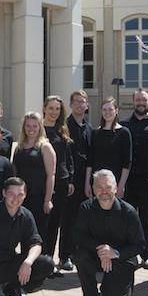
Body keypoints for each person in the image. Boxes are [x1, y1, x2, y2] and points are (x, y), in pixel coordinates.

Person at [72, 170, 144, 296]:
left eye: (108, 187)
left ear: (116, 188)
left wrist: (115, 253)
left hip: (121, 258)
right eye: (99, 187)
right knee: (80, 255)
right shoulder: (85, 208)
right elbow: (78, 237)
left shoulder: (128, 212)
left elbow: (139, 245)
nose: (104, 191)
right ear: (93, 189)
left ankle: (118, 284)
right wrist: (102, 249)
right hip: (96, 255)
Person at [119, 88, 148, 270]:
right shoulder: (123, 124)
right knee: (128, 218)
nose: (141, 103)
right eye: (138, 100)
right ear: (133, 102)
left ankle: (146, 254)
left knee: (146, 219)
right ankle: (130, 254)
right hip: (128, 179)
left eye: (144, 100)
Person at [59, 90, 93, 271]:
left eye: (83, 102)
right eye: (77, 102)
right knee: (68, 218)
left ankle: (78, 253)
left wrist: (88, 182)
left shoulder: (89, 128)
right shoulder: (64, 126)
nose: (80, 105)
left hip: (84, 179)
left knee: (82, 219)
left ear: (87, 106)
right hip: (69, 179)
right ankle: (64, 256)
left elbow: (90, 158)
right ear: (70, 105)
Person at [12, 112, 56, 246]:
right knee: (22, 231)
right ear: (24, 127)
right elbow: (15, 171)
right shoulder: (18, 147)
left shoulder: (45, 147)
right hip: (21, 196)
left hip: (39, 196)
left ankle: (38, 263)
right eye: (28, 126)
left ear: (40, 127)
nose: (31, 129)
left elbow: (51, 174)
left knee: (38, 232)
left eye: (35, 126)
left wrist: (47, 200)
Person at [42, 95, 74, 273]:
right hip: (44, 182)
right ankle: (41, 260)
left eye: (57, 109)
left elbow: (69, 158)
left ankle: (50, 261)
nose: (54, 112)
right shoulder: (37, 129)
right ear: (44, 108)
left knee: (55, 222)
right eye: (51, 108)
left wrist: (69, 179)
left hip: (61, 181)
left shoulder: (62, 130)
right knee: (43, 221)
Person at [85, 97, 131, 201]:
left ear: (116, 111)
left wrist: (121, 185)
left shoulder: (124, 133)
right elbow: (90, 160)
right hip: (98, 184)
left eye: (110, 109)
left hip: (116, 183)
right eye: (104, 109)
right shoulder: (95, 132)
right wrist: (88, 183)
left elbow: (127, 162)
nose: (107, 112)